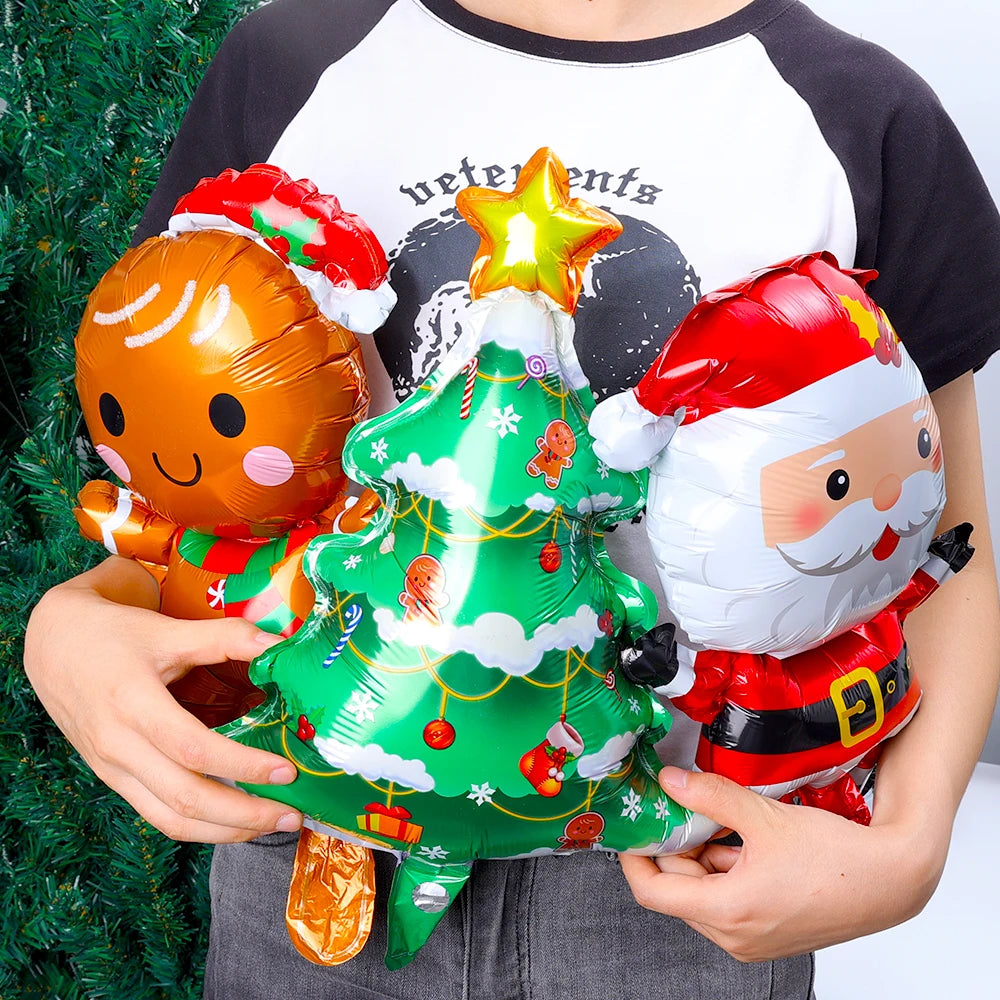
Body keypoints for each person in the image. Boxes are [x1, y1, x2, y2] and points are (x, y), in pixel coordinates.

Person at [23, 1, 1000, 997]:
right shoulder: (289, 64)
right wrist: (74, 618)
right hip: (323, 831)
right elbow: (194, 463)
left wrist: (910, 843)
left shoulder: (858, 117)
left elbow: (941, 534)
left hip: (682, 877)